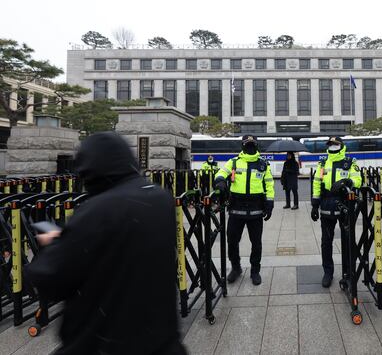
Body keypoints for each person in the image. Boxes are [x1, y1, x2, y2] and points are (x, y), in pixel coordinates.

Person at [25, 132, 186, 355]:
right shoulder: (161, 197)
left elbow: (50, 279)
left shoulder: (96, 210)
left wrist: (56, 243)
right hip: (161, 341)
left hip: (102, 343)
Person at [214, 135, 274, 286]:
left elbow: (269, 184)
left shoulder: (263, 164)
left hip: (256, 210)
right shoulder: (233, 162)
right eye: (247, 144)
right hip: (236, 209)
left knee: (256, 243)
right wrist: (220, 181)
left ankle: (255, 271)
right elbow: (220, 173)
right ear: (242, 145)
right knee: (232, 241)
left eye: (252, 144)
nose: (250, 146)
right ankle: (236, 268)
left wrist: (270, 204)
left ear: (256, 145)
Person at [311, 136, 362, 288]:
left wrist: (348, 181)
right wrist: (314, 205)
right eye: (330, 144)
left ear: (341, 145)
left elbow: (358, 180)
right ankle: (328, 273)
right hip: (326, 205)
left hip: (345, 205)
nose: (332, 146)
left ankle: (348, 272)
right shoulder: (322, 163)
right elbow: (316, 183)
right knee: (326, 242)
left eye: (335, 144)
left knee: (347, 241)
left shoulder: (350, 162)